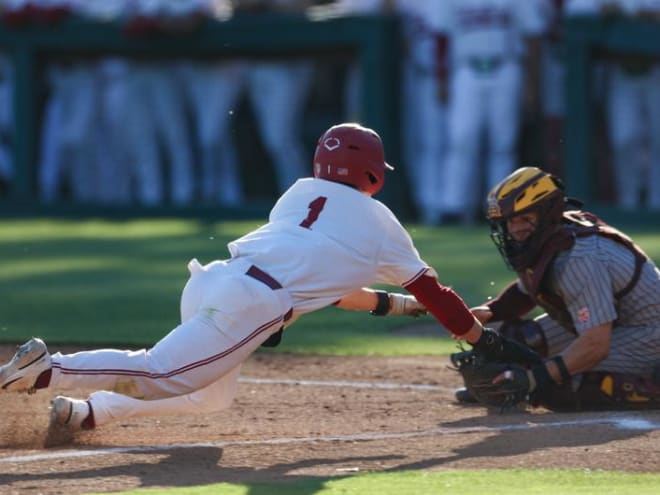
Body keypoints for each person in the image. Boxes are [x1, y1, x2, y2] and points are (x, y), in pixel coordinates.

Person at [0, 123, 502, 431]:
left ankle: (92, 412)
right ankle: (49, 369)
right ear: (374, 172)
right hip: (249, 305)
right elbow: (436, 293)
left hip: (214, 282)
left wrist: (400, 307)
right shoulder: (382, 224)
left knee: (209, 397)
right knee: (160, 374)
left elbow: (327, 288)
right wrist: (480, 338)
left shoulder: (300, 193)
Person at [456, 166, 660, 410]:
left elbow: (596, 344)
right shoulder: (549, 237)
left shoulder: (579, 258)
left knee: (562, 388)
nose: (515, 229)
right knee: (514, 338)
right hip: (615, 320)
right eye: (510, 221)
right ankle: (500, 387)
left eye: (524, 218)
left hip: (648, 331)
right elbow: (525, 291)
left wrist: (534, 379)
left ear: (547, 214)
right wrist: (490, 312)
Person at [434, 0, 547, 224]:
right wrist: (442, 79)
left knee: (503, 143)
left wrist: (532, 83)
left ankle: (499, 206)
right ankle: (453, 207)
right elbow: (441, 38)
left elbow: (533, 36)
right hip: (466, 68)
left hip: (506, 66)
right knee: (462, 139)